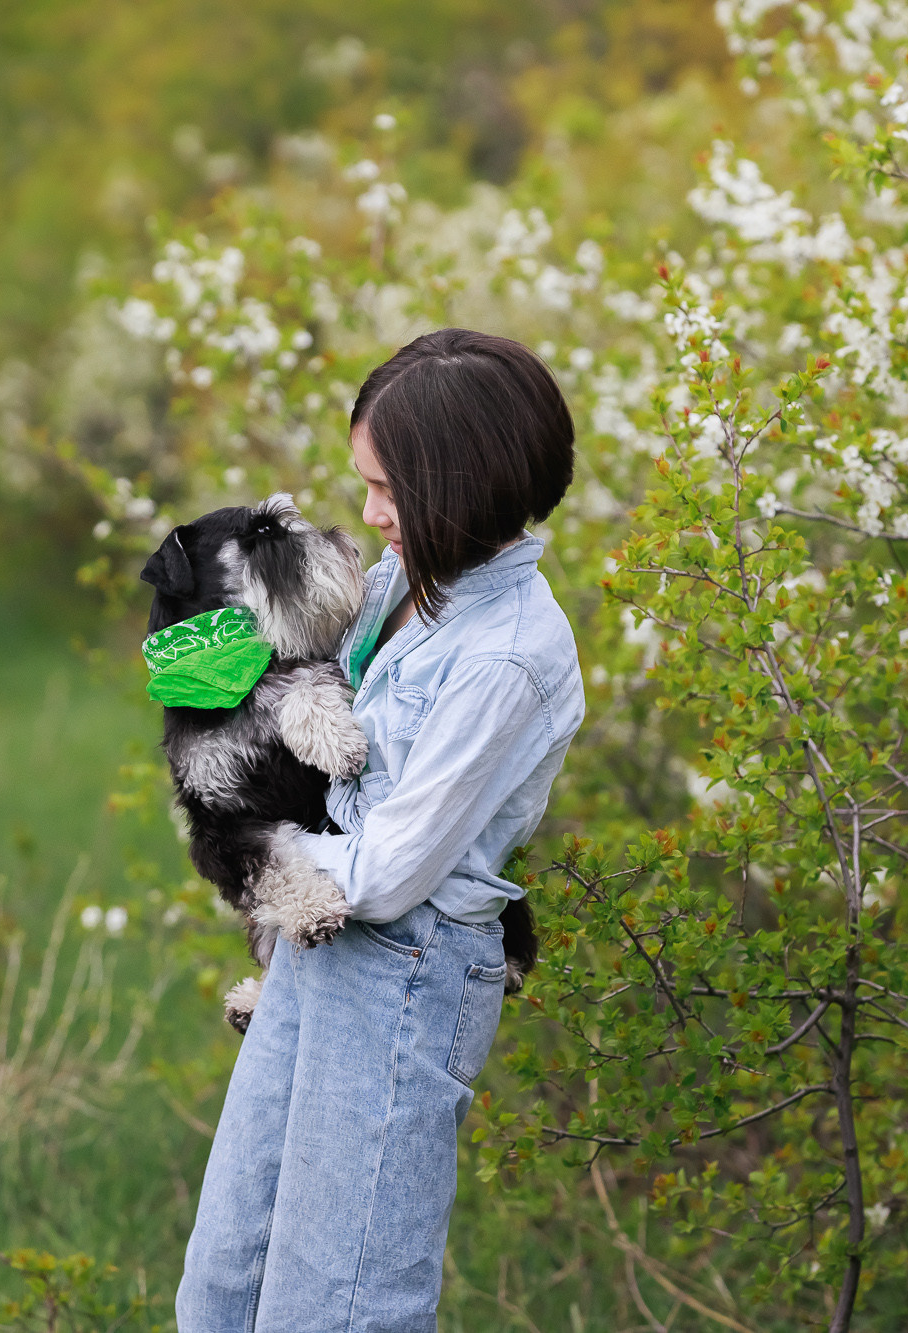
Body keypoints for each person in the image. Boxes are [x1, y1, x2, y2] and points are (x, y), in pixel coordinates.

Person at [175, 328, 586, 1332]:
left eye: (385, 486)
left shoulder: (504, 655)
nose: (365, 512)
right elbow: (240, 669)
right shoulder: (401, 586)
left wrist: (244, 845)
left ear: (463, 483)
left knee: (339, 1305)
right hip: (316, 955)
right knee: (225, 1286)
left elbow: (391, 870)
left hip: (403, 969)